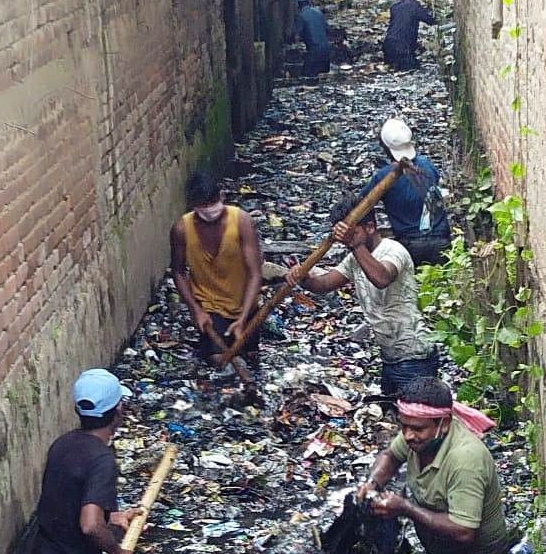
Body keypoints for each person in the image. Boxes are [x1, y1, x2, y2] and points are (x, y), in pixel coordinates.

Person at [358, 377, 509, 554]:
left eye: (417, 429)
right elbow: (391, 456)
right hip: (439, 550)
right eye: (404, 426)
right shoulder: (418, 435)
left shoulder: (466, 460)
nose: (408, 435)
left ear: (444, 424)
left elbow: (464, 531)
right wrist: (372, 483)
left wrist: (405, 508)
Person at [285, 206, 438, 396]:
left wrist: (356, 246)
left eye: (352, 233)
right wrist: (304, 278)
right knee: (389, 411)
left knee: (416, 412)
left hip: (415, 357)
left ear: (370, 227)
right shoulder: (354, 259)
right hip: (390, 358)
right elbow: (324, 284)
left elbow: (382, 278)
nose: (346, 240)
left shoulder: (393, 250)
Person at [30, 369, 141, 554]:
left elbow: (64, 501)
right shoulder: (101, 459)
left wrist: (111, 516)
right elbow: (90, 526)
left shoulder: (63, 443)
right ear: (118, 411)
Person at [171, 171, 263, 366]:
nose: (209, 210)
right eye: (203, 205)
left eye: (212, 202)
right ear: (194, 204)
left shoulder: (241, 221)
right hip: (210, 307)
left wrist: (243, 318)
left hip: (243, 304)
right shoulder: (182, 229)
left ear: (221, 197)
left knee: (251, 357)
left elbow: (255, 274)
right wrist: (196, 310)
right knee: (219, 361)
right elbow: (178, 271)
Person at [358, 118, 451, 268]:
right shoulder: (427, 165)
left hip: (410, 245)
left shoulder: (384, 177)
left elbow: (362, 203)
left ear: (385, 147)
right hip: (442, 240)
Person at [382, 0, 435, 70]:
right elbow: (431, 21)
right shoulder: (416, 8)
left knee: (393, 69)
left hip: (388, 47)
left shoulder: (395, 7)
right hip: (403, 49)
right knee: (414, 68)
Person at [291, 0, 331, 77]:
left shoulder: (300, 17)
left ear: (297, 4)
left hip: (313, 53)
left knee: (308, 77)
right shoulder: (319, 13)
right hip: (326, 52)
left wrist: (299, 51)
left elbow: (297, 37)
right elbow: (327, 30)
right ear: (309, 1)